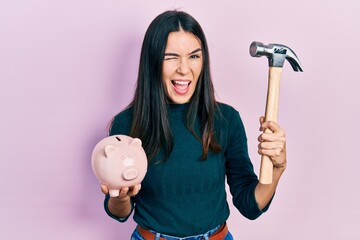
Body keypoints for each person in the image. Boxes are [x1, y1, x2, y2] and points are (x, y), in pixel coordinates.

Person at [100, 10, 287, 240]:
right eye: (171, 57)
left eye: (194, 56)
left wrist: (277, 169)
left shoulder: (226, 120)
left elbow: (250, 205)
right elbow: (120, 212)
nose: (184, 68)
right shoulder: (127, 124)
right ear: (153, 61)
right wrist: (120, 198)